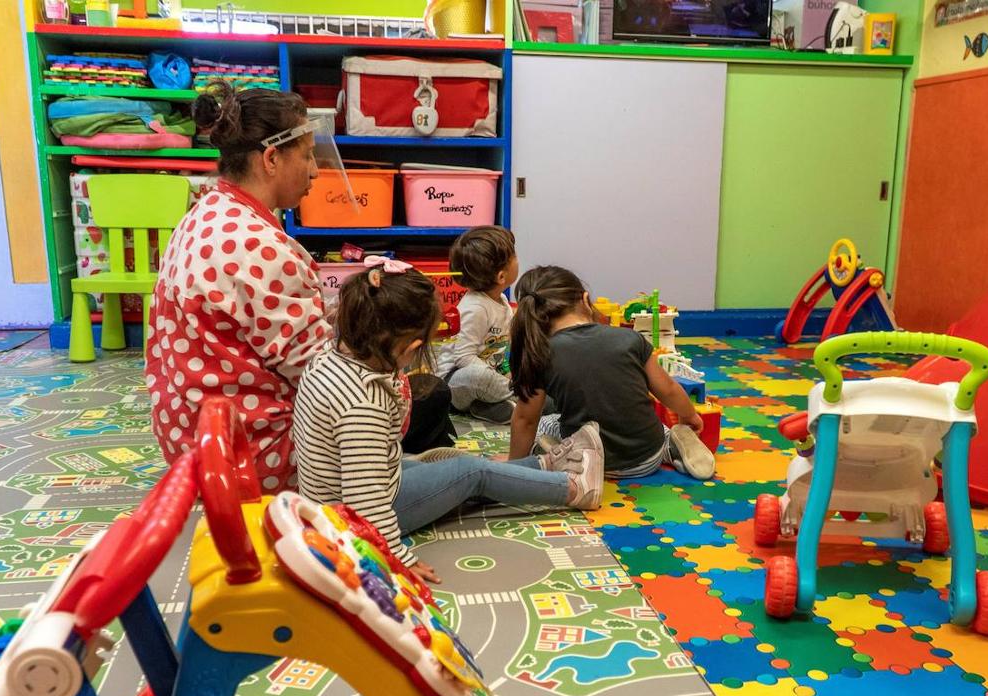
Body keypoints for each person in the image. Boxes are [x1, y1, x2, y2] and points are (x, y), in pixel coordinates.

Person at [144, 82, 450, 491]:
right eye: (306, 155)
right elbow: (337, 383)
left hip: (195, 449)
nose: (315, 170)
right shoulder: (265, 249)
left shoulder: (200, 216)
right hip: (257, 463)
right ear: (271, 158)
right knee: (426, 397)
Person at [293, 259, 604, 584]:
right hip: (353, 518)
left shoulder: (330, 357)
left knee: (460, 468)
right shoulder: (362, 402)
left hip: (351, 493)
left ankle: (542, 467)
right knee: (470, 473)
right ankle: (572, 488)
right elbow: (366, 504)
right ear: (410, 348)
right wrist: (397, 558)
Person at [507, 265, 716, 481]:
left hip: (591, 464)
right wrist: (689, 415)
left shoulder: (540, 354)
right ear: (585, 300)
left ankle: (557, 454)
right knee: (659, 429)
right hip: (648, 457)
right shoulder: (630, 339)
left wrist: (513, 468)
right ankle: (672, 446)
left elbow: (525, 419)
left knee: (545, 422)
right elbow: (669, 389)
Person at [435, 226, 519, 423]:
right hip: (454, 383)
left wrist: (507, 373)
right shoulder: (476, 308)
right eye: (514, 256)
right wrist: (502, 380)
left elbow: (500, 349)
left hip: (489, 378)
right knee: (478, 377)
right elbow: (463, 358)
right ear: (501, 276)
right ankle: (527, 400)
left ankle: (487, 406)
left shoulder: (501, 301)